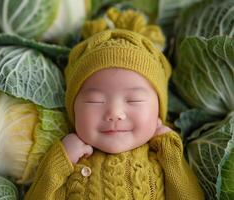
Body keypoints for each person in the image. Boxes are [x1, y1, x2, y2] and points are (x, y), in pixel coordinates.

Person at [25, 29, 204, 200]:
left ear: (158, 111)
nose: (115, 113)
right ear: (74, 110)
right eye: (95, 101)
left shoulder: (161, 156)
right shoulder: (72, 162)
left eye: (134, 100)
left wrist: (170, 154)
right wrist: (58, 165)